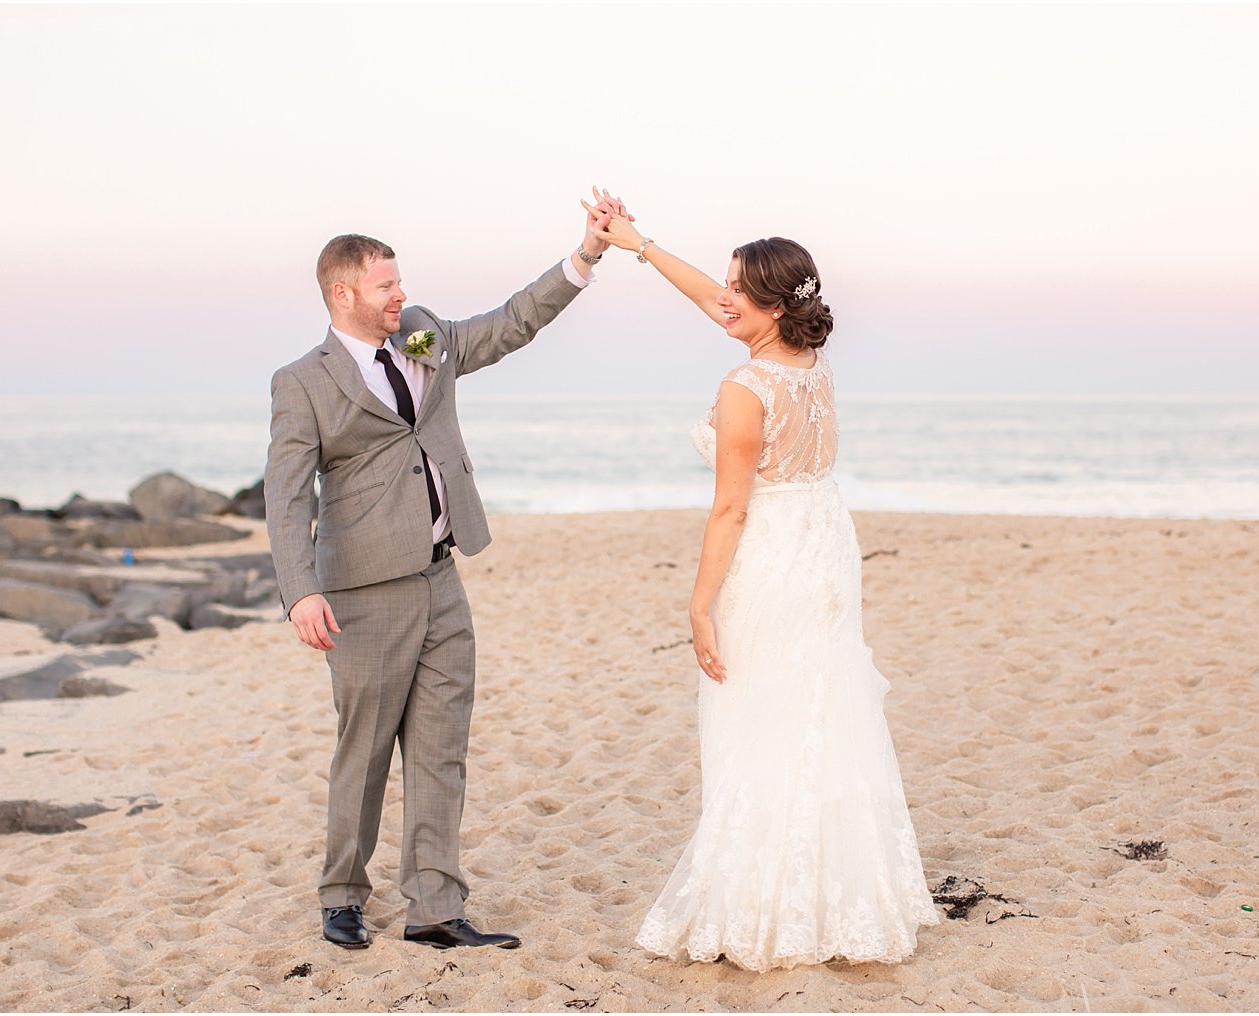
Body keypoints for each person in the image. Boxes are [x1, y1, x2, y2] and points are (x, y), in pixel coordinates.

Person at [589, 196, 941, 971]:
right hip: (824, 544)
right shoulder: (809, 370)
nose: (724, 299)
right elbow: (715, 302)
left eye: (739, 291)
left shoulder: (744, 388)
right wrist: (636, 244)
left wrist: (698, 605)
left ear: (775, 305)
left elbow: (730, 508)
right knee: (820, 712)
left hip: (775, 557)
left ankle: (765, 909)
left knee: (755, 721)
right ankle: (833, 898)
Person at [264, 197, 621, 951]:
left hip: (441, 579)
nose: (400, 295)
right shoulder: (303, 382)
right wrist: (300, 591)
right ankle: (341, 896)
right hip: (362, 595)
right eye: (384, 286)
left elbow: (506, 324)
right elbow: (287, 495)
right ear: (342, 295)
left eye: (399, 282)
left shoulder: (421, 331)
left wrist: (584, 257)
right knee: (361, 754)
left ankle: (434, 908)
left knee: (440, 750)